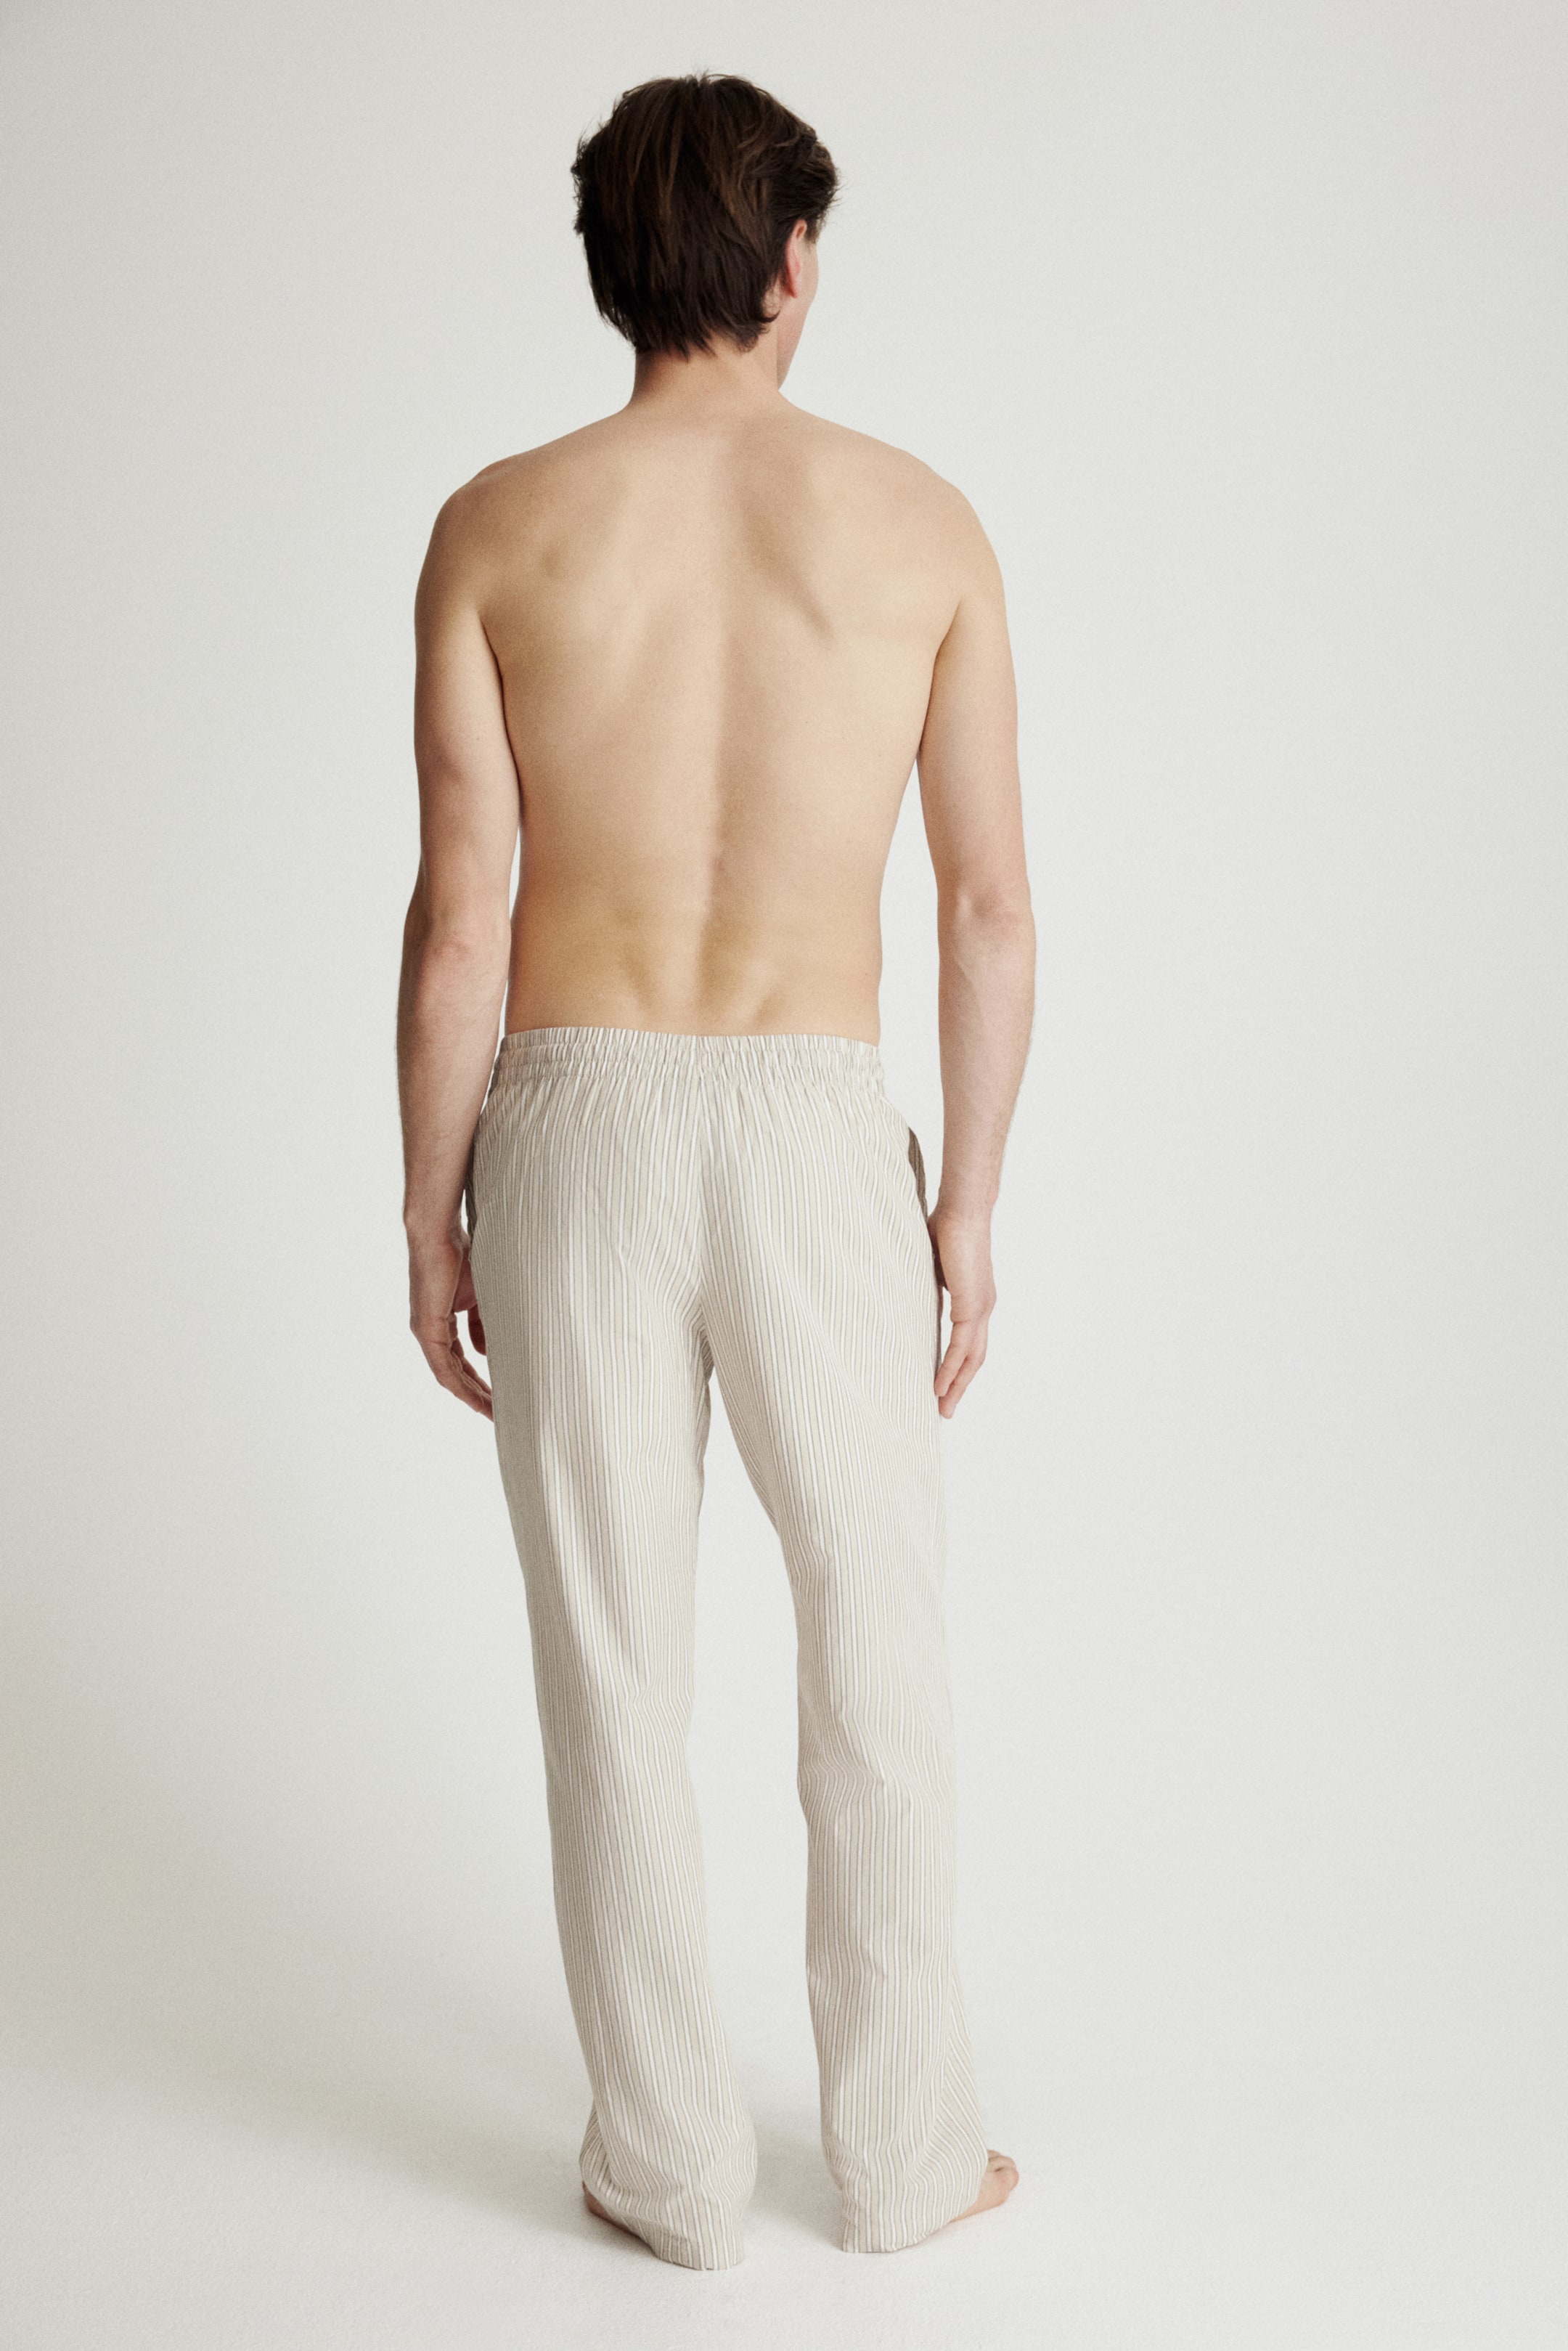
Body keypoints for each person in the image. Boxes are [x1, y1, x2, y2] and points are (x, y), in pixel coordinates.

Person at [396, 71, 1034, 2270]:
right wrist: (967, 1209)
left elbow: (460, 915)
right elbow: (987, 910)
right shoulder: (921, 526)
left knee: (612, 1656)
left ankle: (666, 2171)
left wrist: (430, 1200)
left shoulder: (497, 527)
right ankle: (907, 2159)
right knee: (878, 1641)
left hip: (571, 1116)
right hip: (813, 1120)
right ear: (792, 264)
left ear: (612, 272)